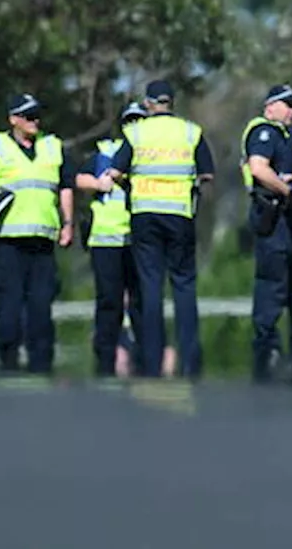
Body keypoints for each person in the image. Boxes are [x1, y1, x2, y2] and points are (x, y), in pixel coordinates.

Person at [100, 79, 214, 378]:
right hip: (179, 215)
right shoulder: (191, 132)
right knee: (184, 287)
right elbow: (207, 174)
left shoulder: (135, 132)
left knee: (150, 289)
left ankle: (152, 362)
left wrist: (133, 182)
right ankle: (189, 362)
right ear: (171, 102)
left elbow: (114, 173)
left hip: (145, 216)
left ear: (148, 104)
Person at [0, 93, 75, 374]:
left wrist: (68, 222)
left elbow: (65, 187)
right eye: (28, 116)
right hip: (9, 242)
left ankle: (41, 362)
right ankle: (8, 360)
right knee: (9, 306)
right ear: (13, 119)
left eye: (37, 115)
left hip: (43, 241)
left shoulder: (53, 146)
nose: (35, 120)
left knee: (40, 306)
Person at [241, 84, 292, 382]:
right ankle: (267, 355)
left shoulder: (288, 134)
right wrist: (287, 190)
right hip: (272, 216)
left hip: (289, 221)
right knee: (271, 288)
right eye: (287, 105)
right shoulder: (264, 132)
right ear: (270, 107)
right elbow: (258, 168)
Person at [76, 101, 148, 377]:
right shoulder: (105, 151)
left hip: (138, 239)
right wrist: (98, 184)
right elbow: (79, 178)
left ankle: (144, 355)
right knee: (109, 302)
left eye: (139, 120)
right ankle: (104, 360)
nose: (134, 126)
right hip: (106, 239)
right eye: (129, 121)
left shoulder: (151, 154)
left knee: (141, 301)